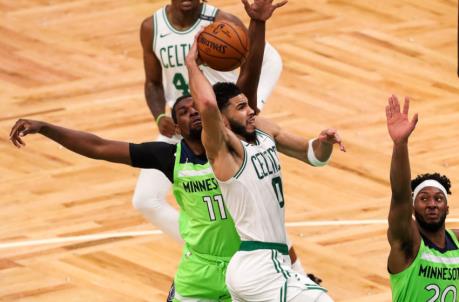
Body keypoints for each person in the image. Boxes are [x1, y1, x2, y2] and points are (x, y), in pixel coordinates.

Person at [186, 36, 343, 301]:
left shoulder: (263, 131)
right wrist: (192, 64)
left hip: (268, 261)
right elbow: (208, 105)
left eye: (248, 104)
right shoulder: (225, 151)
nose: (250, 111)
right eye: (241, 107)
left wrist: (324, 142)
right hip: (259, 263)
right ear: (223, 120)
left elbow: (313, 155)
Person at [135, 0, 283, 244]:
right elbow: (152, 83)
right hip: (183, 125)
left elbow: (271, 60)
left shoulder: (223, 23)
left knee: (252, 205)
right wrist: (159, 115)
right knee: (145, 199)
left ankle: (295, 269)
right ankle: (204, 247)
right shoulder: (151, 27)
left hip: (218, 129)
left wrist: (250, 105)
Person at [385, 95, 459, 302]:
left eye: (438, 199)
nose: (432, 204)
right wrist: (400, 144)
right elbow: (399, 196)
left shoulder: (456, 242)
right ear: (413, 207)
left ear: (447, 207)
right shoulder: (408, 244)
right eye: (424, 199)